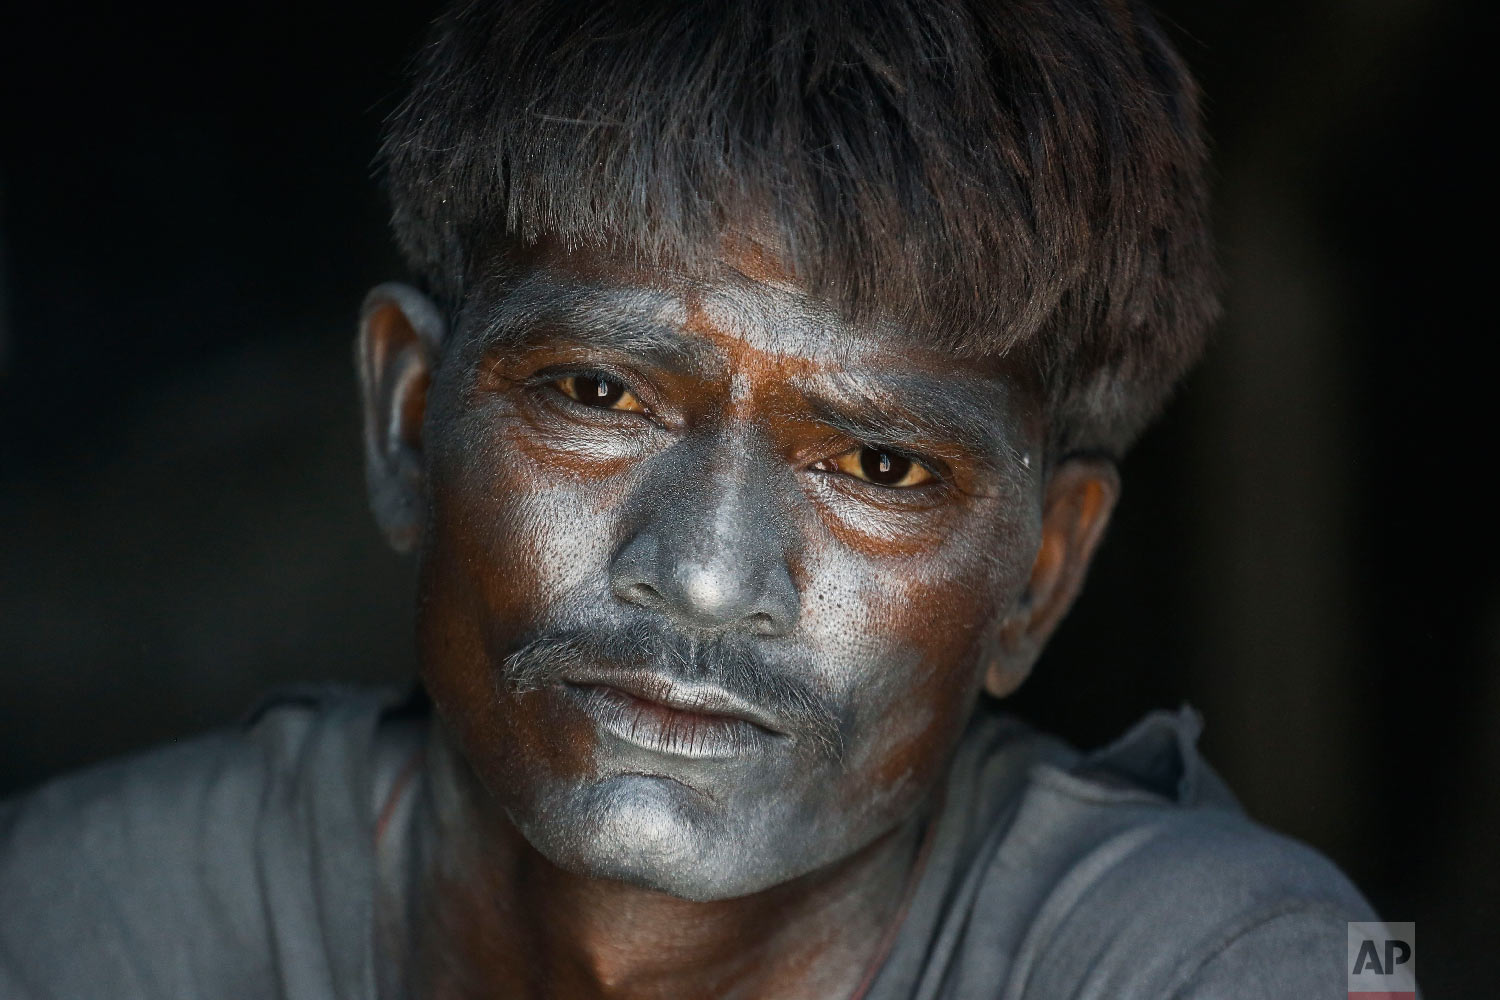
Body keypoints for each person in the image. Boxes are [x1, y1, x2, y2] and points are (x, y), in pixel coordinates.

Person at [0, 1, 1396, 997]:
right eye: (599, 396)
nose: (709, 575)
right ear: (409, 419)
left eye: (883, 467)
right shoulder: (83, 920)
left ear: (1039, 574)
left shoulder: (1236, 960)